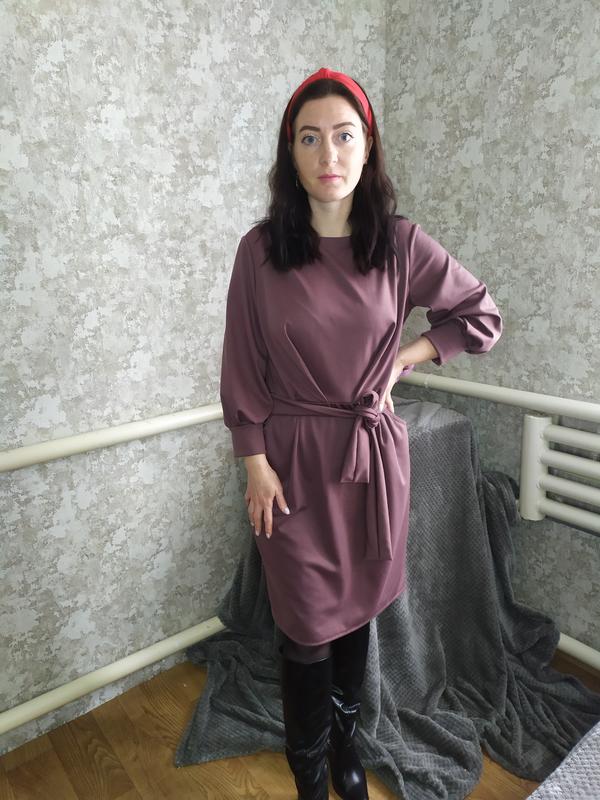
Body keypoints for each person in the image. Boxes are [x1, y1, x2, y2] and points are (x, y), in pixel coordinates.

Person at [219, 67, 503, 800]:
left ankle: (347, 748)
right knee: (305, 627)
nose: (329, 154)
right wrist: (253, 461)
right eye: (309, 139)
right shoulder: (260, 251)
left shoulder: (400, 244)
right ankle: (307, 773)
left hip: (372, 464)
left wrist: (407, 357)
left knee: (353, 618)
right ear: (290, 154)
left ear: (367, 146)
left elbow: (480, 315)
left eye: (344, 136)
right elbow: (242, 363)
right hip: (289, 466)